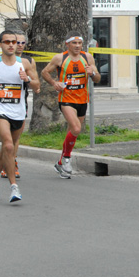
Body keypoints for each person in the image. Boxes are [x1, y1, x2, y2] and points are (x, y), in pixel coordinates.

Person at [0, 30, 40, 203]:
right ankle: (14, 187)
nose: (12, 45)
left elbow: (37, 86)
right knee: (8, 146)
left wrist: (27, 79)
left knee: (7, 149)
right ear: (0, 45)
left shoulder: (25, 64)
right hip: (0, 110)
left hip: (18, 111)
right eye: (7, 42)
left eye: (14, 41)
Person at [41, 31, 101, 179]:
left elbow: (98, 79)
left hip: (82, 99)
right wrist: (55, 83)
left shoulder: (88, 57)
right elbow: (44, 72)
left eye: (80, 43)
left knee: (73, 132)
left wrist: (92, 73)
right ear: (67, 44)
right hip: (66, 99)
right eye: (74, 43)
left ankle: (60, 162)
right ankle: (67, 159)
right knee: (76, 128)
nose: (77, 46)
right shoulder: (60, 58)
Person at [0, 31, 40, 179]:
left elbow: (37, 85)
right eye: (18, 42)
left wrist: (27, 79)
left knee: (14, 138)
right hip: (2, 104)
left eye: (23, 43)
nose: (20, 46)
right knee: (6, 138)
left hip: (20, 103)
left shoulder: (28, 62)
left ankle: (11, 162)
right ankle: (7, 164)